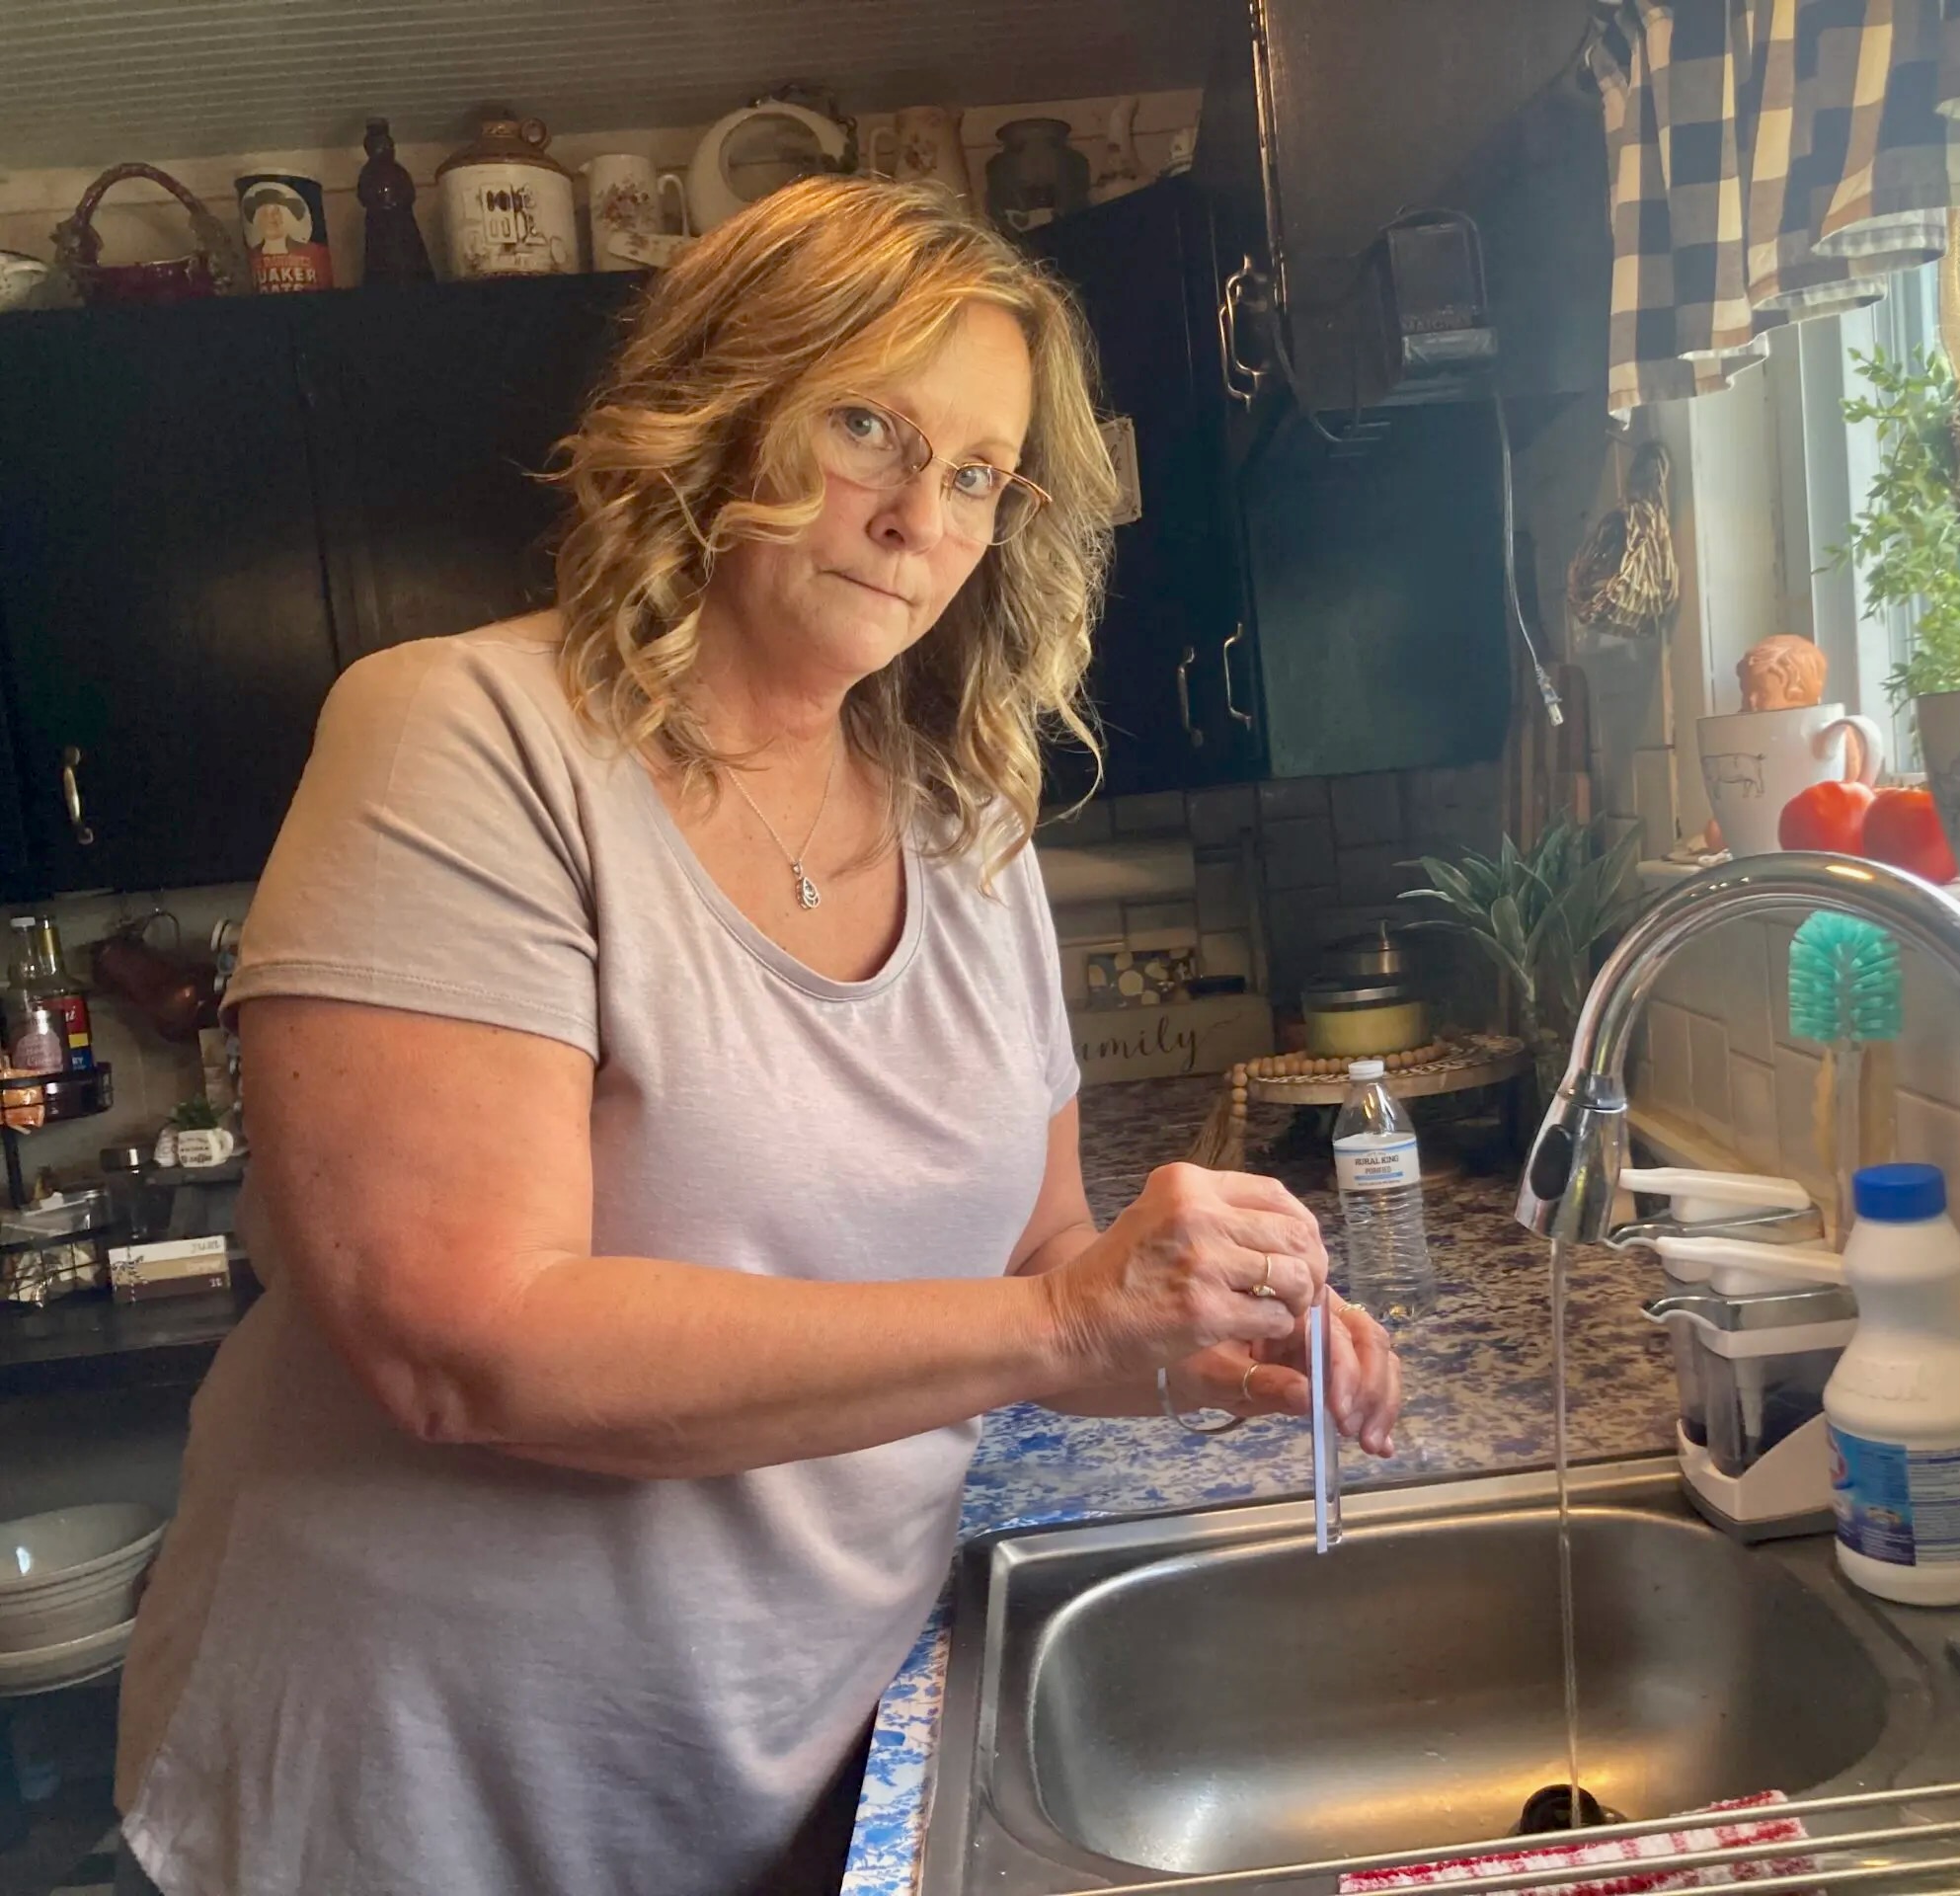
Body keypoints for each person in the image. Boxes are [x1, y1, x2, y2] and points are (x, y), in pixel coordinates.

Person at [114, 177, 1405, 1896]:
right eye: (868, 424)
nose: (915, 517)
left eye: (972, 475)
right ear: (719, 413)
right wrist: (1052, 1323)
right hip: (426, 1784)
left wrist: (1181, 1335)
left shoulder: (972, 824)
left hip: (806, 1747)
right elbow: (463, 1343)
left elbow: (1028, 1251)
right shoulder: (469, 737)